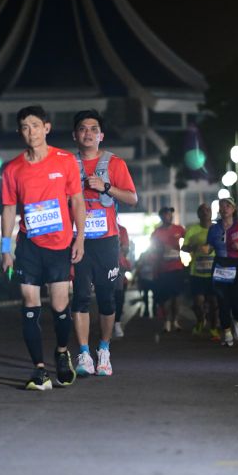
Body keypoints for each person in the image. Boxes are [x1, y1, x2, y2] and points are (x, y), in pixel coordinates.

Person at [1, 105, 86, 390]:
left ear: (46, 128)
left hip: (60, 245)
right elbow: (9, 209)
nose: (31, 132)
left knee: (60, 305)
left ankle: (61, 353)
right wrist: (5, 249)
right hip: (29, 245)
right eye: (25, 127)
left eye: (36, 126)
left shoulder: (65, 160)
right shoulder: (13, 168)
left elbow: (77, 201)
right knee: (30, 304)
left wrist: (80, 238)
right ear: (20, 132)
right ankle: (39, 370)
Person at [71, 110, 137, 376]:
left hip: (107, 241)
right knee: (80, 297)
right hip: (78, 241)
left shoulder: (115, 163)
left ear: (101, 135)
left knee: (107, 298)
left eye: (93, 129)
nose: (88, 133)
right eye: (83, 128)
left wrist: (106, 187)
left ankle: (104, 350)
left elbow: (132, 198)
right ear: (75, 135)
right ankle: (84, 354)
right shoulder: (66, 164)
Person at [207, 197, 238, 347]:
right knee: (222, 301)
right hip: (220, 265)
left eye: (228, 205)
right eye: (222, 206)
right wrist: (204, 249)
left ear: (233, 209)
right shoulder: (214, 229)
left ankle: (237, 320)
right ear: (219, 210)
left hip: (237, 265)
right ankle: (226, 332)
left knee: (237, 299)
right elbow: (209, 247)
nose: (225, 208)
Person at [182, 203, 220, 340]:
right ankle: (200, 321)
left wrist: (212, 247)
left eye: (207, 210)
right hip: (197, 273)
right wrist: (194, 247)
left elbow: (224, 245)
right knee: (198, 302)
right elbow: (184, 248)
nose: (205, 212)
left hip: (214, 273)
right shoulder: (192, 230)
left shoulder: (217, 229)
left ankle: (214, 328)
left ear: (211, 213)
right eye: (202, 210)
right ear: (198, 214)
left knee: (214, 302)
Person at [151, 206, 186, 332]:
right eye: (166, 214)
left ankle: (175, 321)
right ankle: (166, 321)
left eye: (170, 214)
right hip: (163, 269)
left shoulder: (179, 229)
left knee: (177, 297)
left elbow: (188, 242)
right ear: (161, 216)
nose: (168, 216)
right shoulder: (156, 233)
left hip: (177, 267)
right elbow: (152, 250)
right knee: (165, 298)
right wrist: (161, 249)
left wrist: (184, 248)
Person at [113, 223, 132, 338]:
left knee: (118, 296)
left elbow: (126, 248)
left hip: (118, 265)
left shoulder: (121, 229)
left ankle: (117, 323)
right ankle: (106, 325)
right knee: (104, 296)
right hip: (101, 265)